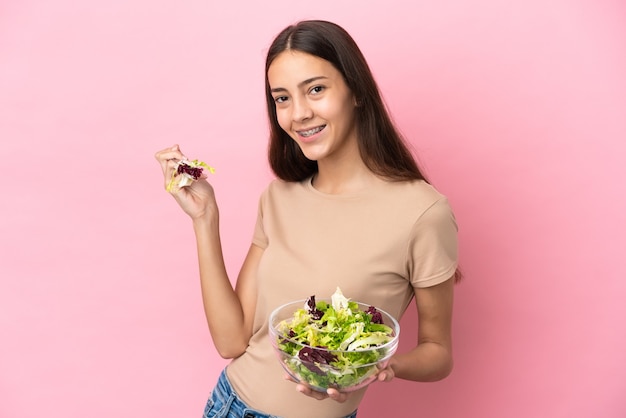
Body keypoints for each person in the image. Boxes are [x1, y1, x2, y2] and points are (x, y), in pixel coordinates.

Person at [155, 19, 460, 418]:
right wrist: (204, 218)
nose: (298, 113)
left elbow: (438, 352)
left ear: (356, 92)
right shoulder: (278, 198)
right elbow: (232, 342)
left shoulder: (423, 213)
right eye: (281, 98)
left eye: (315, 89)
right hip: (231, 406)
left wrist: (381, 368)